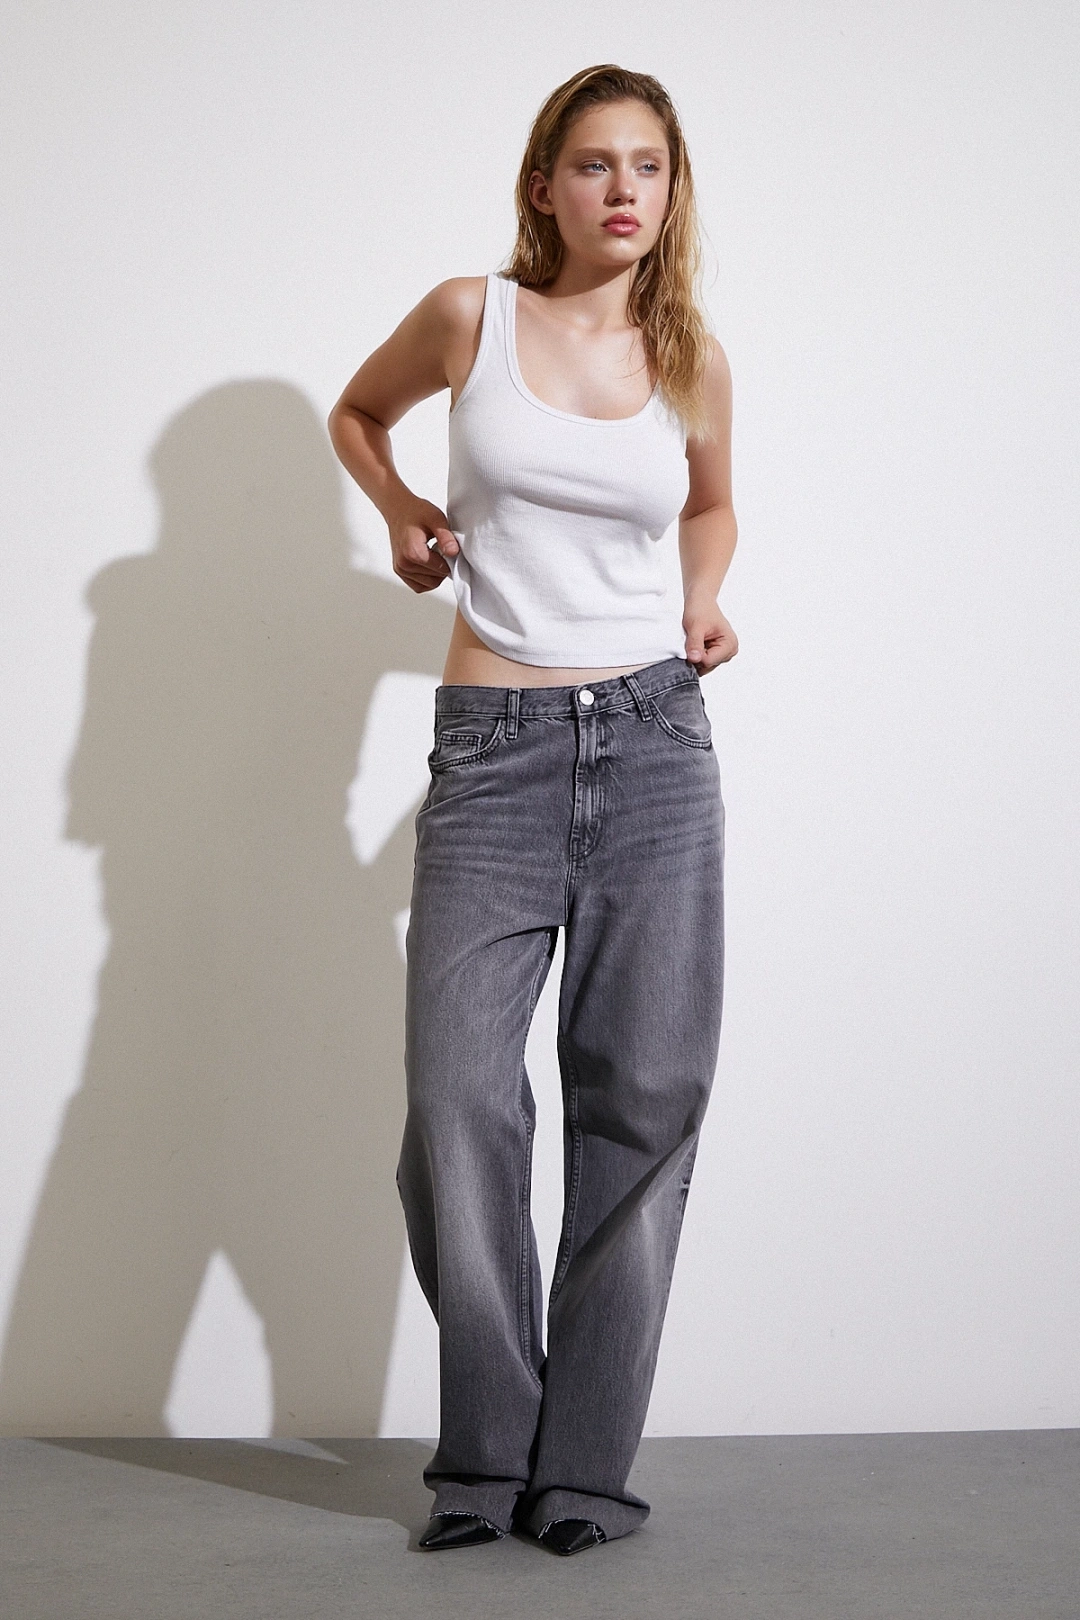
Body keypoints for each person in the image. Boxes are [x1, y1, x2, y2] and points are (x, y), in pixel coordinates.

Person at [328, 63, 738, 1557]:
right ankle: (488, 1450)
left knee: (642, 1103)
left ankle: (582, 1472)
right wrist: (403, 513)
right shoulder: (471, 317)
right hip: (493, 745)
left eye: (649, 166)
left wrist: (703, 598)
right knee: (458, 1105)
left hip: (655, 743)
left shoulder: (692, 357)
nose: (624, 189)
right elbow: (358, 414)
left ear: (671, 193)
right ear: (545, 186)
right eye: (594, 163)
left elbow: (711, 504)